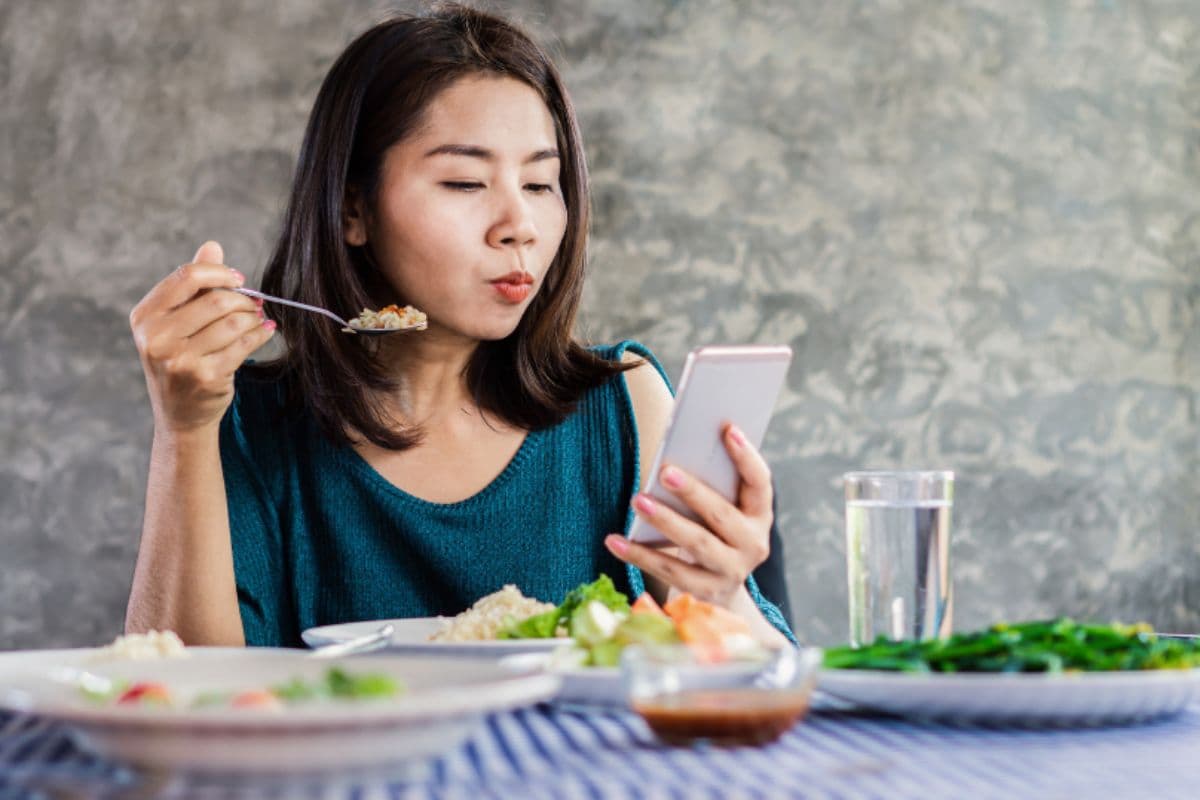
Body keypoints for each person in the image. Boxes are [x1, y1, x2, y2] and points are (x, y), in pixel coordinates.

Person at [125, 3, 793, 649]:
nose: (520, 227)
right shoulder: (241, 425)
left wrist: (724, 592)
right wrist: (181, 433)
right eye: (466, 184)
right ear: (352, 209)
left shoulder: (624, 406)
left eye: (540, 185)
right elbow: (186, 702)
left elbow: (763, 688)